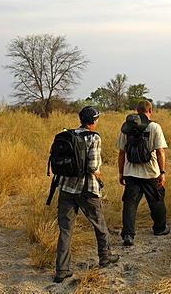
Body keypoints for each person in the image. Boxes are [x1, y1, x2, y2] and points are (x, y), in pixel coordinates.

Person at [54, 106, 119, 283]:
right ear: (94, 121)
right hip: (87, 188)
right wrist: (97, 173)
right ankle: (105, 255)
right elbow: (92, 166)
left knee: (65, 229)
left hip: (66, 187)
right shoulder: (94, 137)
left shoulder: (69, 134)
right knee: (99, 222)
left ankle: (61, 269)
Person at [116, 100, 170, 246]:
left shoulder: (127, 127)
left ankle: (128, 234)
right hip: (151, 172)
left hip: (131, 172)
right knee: (156, 200)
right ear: (150, 110)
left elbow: (122, 153)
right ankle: (160, 228)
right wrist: (162, 172)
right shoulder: (154, 127)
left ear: (137, 110)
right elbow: (160, 151)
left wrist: (121, 173)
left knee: (130, 203)